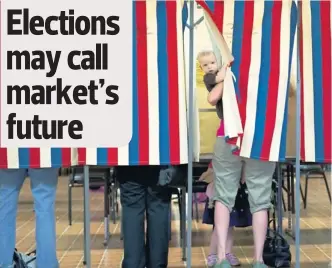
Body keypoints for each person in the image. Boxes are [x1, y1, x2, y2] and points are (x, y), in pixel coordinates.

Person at [202, 53, 275, 268]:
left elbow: (212, 98)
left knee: (225, 197)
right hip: (259, 135)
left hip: (230, 135)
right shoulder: (266, 68)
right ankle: (257, 259)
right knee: (259, 199)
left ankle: (225, 257)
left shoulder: (227, 70)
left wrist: (228, 76)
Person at [0, 168, 59, 268]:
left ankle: (4, 263)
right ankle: (47, 264)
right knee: (45, 205)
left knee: (6, 204)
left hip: (10, 153)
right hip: (44, 153)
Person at [116, 165, 172, 268]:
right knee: (158, 210)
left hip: (129, 163)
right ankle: (158, 264)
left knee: (132, 211)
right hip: (160, 164)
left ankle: (133, 264)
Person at [200, 163, 252, 267]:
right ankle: (213, 254)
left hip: (234, 190)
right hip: (220, 191)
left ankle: (227, 252)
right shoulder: (220, 155)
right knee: (219, 228)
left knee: (230, 225)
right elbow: (212, 167)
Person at [197, 50, 228, 119]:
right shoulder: (207, 77)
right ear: (201, 67)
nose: (209, 67)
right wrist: (226, 64)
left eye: (212, 63)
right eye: (205, 65)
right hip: (223, 109)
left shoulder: (218, 71)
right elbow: (221, 77)